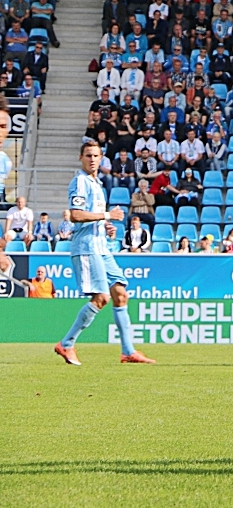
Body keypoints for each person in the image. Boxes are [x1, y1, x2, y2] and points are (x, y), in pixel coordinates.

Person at [54, 142, 155, 366]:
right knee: (102, 297)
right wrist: (107, 216)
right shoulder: (80, 181)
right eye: (88, 155)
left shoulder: (97, 184)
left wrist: (105, 226)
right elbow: (76, 215)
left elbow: (93, 217)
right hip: (87, 247)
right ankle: (67, 344)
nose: (92, 159)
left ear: (101, 159)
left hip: (101, 246)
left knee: (120, 293)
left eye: (96, 155)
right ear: (81, 157)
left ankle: (128, 351)